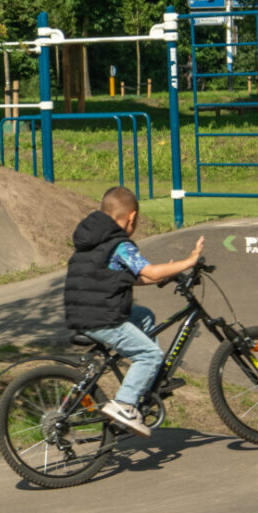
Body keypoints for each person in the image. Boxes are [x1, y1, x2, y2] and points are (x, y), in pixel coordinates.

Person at [63, 186, 204, 437]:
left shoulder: (95, 241)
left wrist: (167, 271)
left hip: (86, 312)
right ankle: (125, 404)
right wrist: (189, 261)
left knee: (144, 316)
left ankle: (149, 382)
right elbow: (148, 271)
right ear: (132, 217)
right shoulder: (119, 245)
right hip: (102, 317)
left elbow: (131, 278)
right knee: (150, 355)